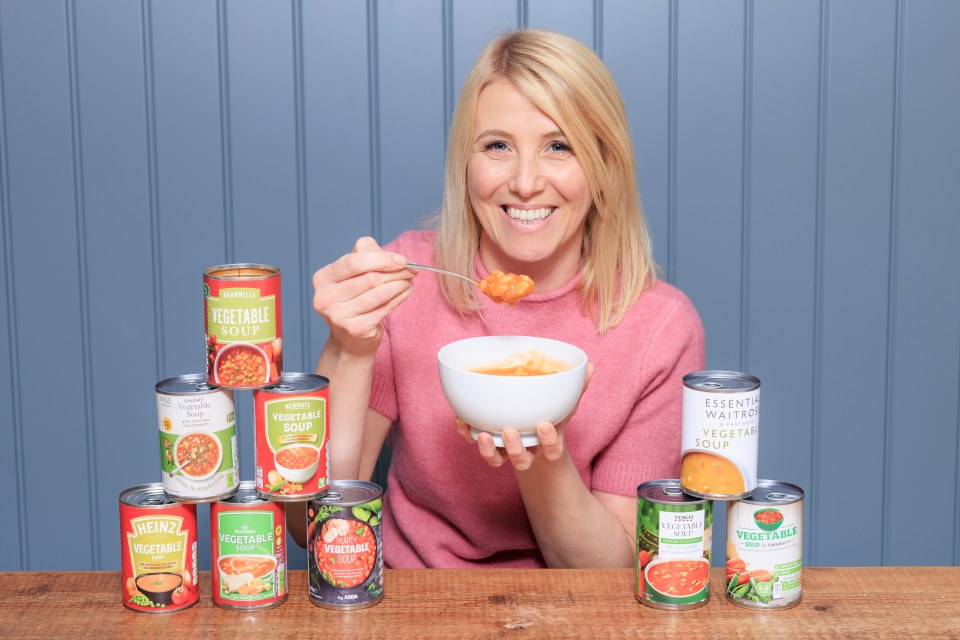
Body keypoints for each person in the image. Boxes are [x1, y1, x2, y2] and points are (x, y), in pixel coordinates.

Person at [293, 29, 704, 568]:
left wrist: (540, 459)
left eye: (559, 146)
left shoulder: (661, 327)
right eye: (497, 146)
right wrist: (348, 348)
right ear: (466, 164)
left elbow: (611, 574)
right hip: (410, 601)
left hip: (572, 610)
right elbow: (310, 526)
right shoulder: (405, 286)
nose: (526, 182)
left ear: (605, 166)